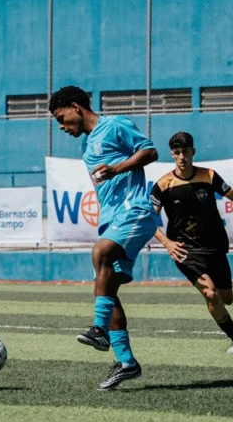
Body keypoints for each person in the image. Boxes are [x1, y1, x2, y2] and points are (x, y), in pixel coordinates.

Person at [48, 85, 158, 391]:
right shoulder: (88, 146)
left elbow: (150, 151)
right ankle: (126, 362)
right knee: (107, 287)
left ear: (76, 107)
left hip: (135, 210)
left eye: (62, 118)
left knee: (100, 254)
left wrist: (117, 168)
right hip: (112, 220)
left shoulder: (115, 125)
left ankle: (100, 329)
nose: (62, 126)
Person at [151, 132, 233, 354]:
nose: (182, 157)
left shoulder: (209, 176)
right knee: (211, 293)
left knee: (227, 299)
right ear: (172, 155)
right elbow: (149, 219)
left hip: (214, 246)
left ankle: (219, 312)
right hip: (185, 250)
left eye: (185, 152)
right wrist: (167, 243)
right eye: (177, 153)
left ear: (193, 152)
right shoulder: (163, 185)